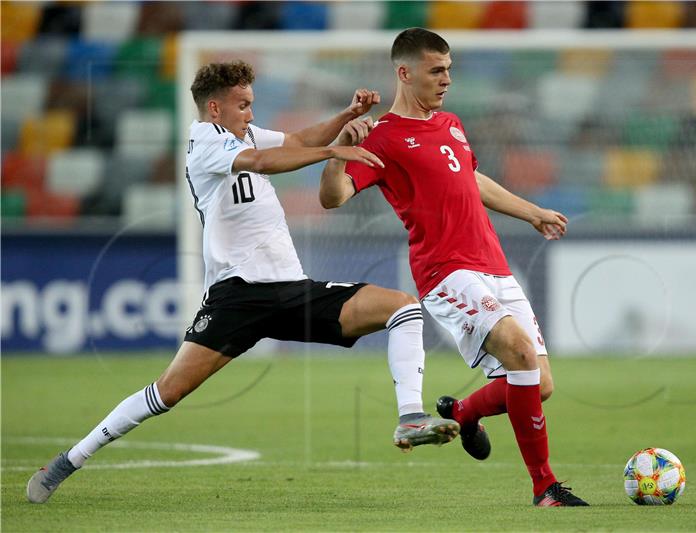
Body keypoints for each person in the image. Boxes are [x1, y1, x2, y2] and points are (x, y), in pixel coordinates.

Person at [27, 60, 459, 504]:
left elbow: (292, 141)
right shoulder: (204, 144)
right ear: (215, 108)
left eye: (251, 104)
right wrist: (333, 153)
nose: (251, 114)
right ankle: (70, 460)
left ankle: (410, 416)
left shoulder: (243, 133)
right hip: (238, 296)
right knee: (167, 392)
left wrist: (344, 118)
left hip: (291, 290)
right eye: (243, 105)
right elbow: (264, 161)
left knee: (402, 306)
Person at [319, 29, 589, 507]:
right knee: (521, 355)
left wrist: (533, 212)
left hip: (494, 265)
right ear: (405, 72)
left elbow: (469, 177)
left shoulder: (451, 123)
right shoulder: (381, 136)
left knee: (539, 384)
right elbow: (333, 197)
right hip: (446, 271)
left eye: (449, 69)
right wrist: (338, 150)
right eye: (436, 70)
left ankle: (462, 412)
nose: (447, 79)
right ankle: (545, 487)